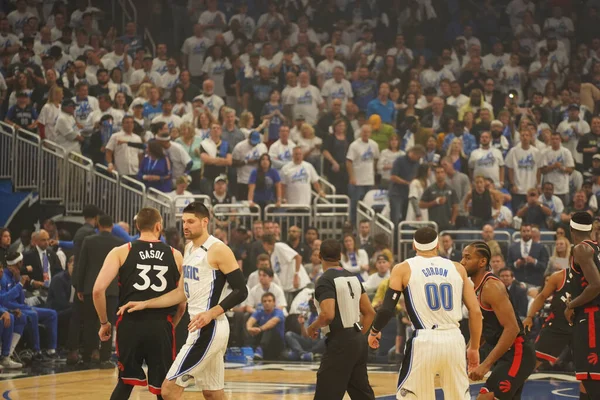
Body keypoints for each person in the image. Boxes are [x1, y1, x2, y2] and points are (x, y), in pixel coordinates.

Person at [117, 202, 248, 400]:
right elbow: (181, 293)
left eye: (191, 221)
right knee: (213, 393)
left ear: (205, 222)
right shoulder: (188, 248)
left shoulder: (218, 249)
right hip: (198, 326)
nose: (185, 226)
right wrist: (146, 303)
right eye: (183, 221)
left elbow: (241, 290)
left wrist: (210, 313)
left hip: (209, 328)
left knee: (169, 390)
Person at [368, 227, 482, 399]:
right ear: (437, 245)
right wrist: (474, 347)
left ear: (414, 245)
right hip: (454, 339)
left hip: (424, 340)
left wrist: (374, 331)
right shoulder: (458, 268)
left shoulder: (403, 268)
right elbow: (475, 311)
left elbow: (387, 308)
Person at [93, 207, 185, 399]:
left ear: (136, 225)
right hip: (161, 325)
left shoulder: (121, 251)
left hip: (130, 324)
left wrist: (104, 323)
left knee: (125, 383)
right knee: (163, 388)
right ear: (159, 226)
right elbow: (182, 301)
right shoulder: (175, 254)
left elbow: (98, 290)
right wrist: (171, 325)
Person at [462, 241, 536, 399]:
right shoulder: (476, 287)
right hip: (506, 354)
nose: (463, 262)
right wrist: (468, 352)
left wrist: (485, 365)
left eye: (468, 258)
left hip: (518, 353)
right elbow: (484, 326)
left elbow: (512, 328)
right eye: (463, 257)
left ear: (482, 262)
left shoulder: (491, 287)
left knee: (485, 397)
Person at [309, 239, 376, 400]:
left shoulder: (325, 280)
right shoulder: (354, 277)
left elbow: (327, 315)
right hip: (357, 340)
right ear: (340, 255)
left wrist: (313, 327)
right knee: (362, 394)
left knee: (326, 394)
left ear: (319, 256)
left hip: (340, 342)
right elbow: (370, 313)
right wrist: (357, 335)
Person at [77, 214, 125, 367]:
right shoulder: (120, 243)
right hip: (111, 290)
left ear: (98, 224)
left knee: (89, 323)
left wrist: (80, 287)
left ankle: (86, 356)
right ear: (112, 226)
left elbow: (81, 265)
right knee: (107, 323)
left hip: (90, 288)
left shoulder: (89, 241)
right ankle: (105, 358)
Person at [564, 211, 600, 398]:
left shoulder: (581, 249)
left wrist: (572, 305)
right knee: (587, 380)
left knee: (592, 378)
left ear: (571, 229)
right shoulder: (595, 248)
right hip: (591, 316)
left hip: (591, 317)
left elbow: (596, 285)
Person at [523, 269, 575, 371]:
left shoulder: (593, 276)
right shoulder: (559, 276)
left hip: (582, 323)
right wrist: (529, 317)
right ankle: (515, 385)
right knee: (533, 361)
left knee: (588, 368)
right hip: (557, 323)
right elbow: (542, 296)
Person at [245, 292, 285, 360]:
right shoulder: (260, 312)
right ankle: (248, 349)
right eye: (264, 301)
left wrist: (259, 329)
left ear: (274, 303)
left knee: (268, 328)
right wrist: (249, 328)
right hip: (264, 341)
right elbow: (250, 321)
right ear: (262, 303)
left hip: (277, 343)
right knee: (253, 328)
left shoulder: (279, 312)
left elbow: (272, 322)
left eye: (269, 301)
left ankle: (260, 349)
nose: (267, 303)